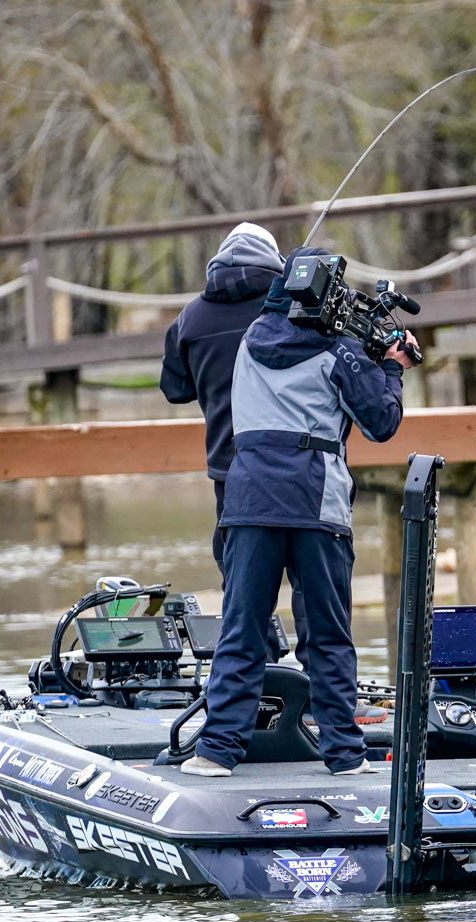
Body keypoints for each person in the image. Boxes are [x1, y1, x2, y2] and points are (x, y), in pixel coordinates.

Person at [182, 246, 417, 777]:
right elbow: (381, 422)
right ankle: (344, 755)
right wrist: (391, 367)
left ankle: (216, 752)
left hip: (249, 500)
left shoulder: (249, 341)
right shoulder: (339, 352)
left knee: (241, 629)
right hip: (317, 505)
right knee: (329, 633)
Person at [158, 222, 310, 656]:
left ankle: (254, 680)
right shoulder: (295, 308)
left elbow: (175, 389)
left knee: (243, 598)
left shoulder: (191, 319)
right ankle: (320, 683)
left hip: (232, 473)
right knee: (314, 590)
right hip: (304, 470)